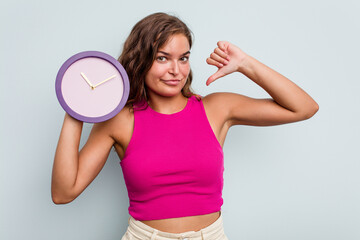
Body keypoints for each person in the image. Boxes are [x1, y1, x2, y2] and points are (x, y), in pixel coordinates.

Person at [51, 12, 319, 240]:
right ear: (141, 60)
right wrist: (76, 109)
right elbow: (63, 193)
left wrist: (245, 64)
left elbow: (304, 108)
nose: (176, 71)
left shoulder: (216, 108)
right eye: (162, 58)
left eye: (183, 58)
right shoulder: (120, 120)